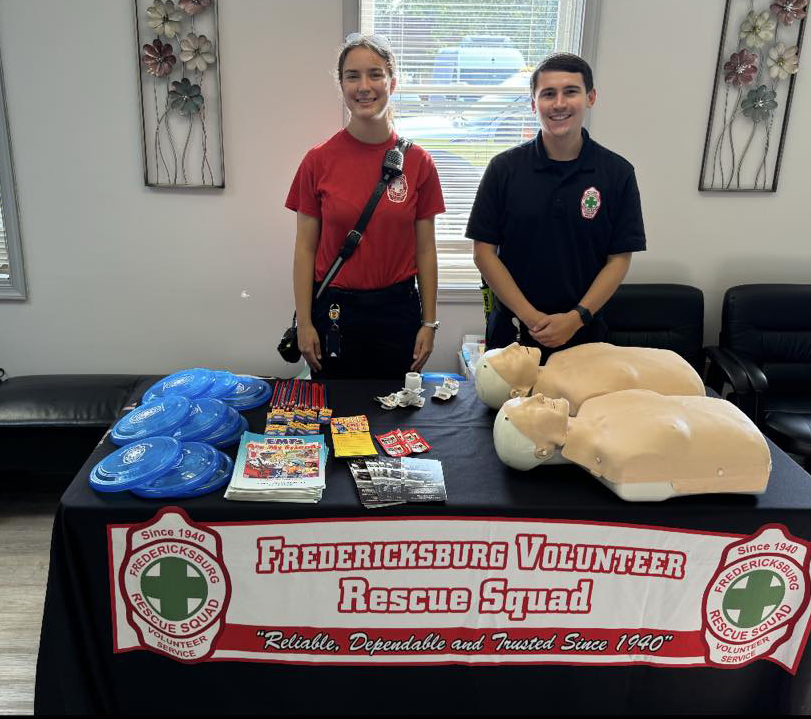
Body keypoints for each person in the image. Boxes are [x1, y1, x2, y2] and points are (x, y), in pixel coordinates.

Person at [285, 34, 445, 379]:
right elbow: (304, 250)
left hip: (398, 309)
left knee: (394, 419)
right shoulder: (318, 161)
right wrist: (304, 322)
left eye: (375, 74)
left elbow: (426, 250)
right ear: (340, 85)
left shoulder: (418, 162)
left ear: (393, 82)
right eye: (352, 76)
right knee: (338, 416)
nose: (364, 86)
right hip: (335, 311)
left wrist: (429, 322)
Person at [466, 53, 646, 360]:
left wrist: (575, 318)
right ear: (533, 103)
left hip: (584, 334)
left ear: (590, 97)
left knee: (583, 410)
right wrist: (532, 318)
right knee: (505, 410)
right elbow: (484, 253)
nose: (559, 103)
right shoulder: (504, 169)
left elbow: (618, 259)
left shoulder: (617, 173)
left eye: (570, 91)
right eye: (548, 94)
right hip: (513, 334)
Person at [492, 391, 771, 501]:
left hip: (730, 423)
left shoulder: (594, 405)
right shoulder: (622, 459)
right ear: (543, 450)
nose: (537, 395)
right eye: (530, 409)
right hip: (741, 442)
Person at [474, 341, 705, 412]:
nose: (513, 345)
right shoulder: (574, 397)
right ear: (518, 392)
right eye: (506, 358)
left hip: (674, 366)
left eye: (504, 349)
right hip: (685, 388)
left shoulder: (558, 358)